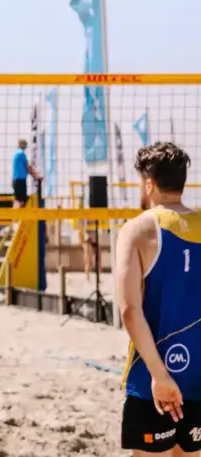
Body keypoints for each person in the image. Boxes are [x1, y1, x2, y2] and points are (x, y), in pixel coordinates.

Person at [117, 141, 200, 454]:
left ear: (149, 184)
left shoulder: (137, 230)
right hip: (198, 378)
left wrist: (159, 375)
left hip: (152, 377)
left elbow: (129, 310)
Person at [12, 138, 42, 208]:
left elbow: (26, 168)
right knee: (21, 200)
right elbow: (28, 167)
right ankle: (16, 217)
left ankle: (16, 217)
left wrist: (34, 174)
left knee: (20, 199)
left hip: (17, 180)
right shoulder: (21, 153)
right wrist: (35, 175)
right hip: (20, 180)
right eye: (25, 144)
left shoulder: (17, 153)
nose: (26, 146)